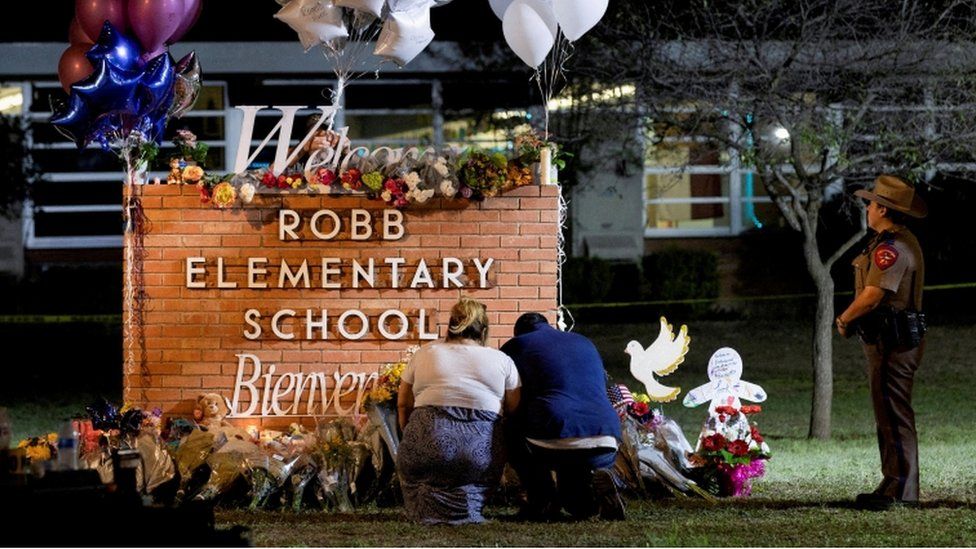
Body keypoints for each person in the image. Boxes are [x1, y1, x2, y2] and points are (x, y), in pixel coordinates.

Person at [835, 174, 928, 510]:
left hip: (894, 342)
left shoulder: (892, 248)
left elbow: (874, 295)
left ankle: (903, 490)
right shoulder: (888, 242)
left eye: (872, 203)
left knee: (894, 412)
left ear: (884, 210)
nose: (868, 208)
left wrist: (845, 318)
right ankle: (892, 483)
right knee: (887, 413)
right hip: (887, 340)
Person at [397, 298, 521, 524]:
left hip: (425, 444)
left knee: (422, 469)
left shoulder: (425, 353)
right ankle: (468, 510)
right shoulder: (502, 360)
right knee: (475, 474)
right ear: (483, 329)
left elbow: (403, 404)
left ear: (450, 324)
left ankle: (423, 511)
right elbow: (514, 409)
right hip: (478, 453)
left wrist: (409, 435)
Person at [500, 312, 626, 521]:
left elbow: (509, 395)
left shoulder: (516, 345)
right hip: (607, 438)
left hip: (554, 439)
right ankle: (599, 492)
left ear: (519, 332)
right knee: (578, 507)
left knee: (509, 426)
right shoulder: (584, 342)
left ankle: (541, 499)